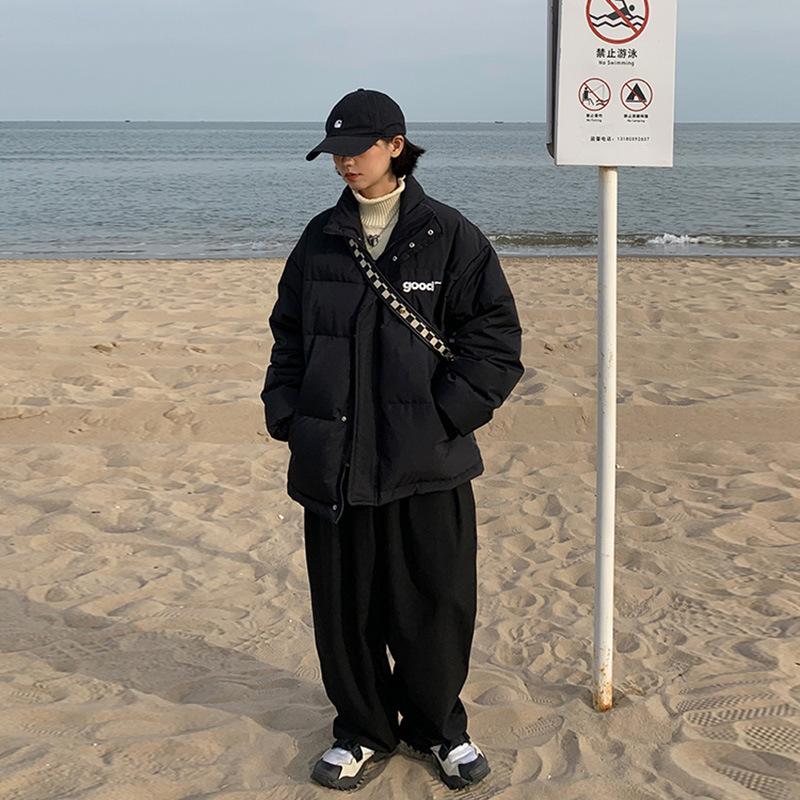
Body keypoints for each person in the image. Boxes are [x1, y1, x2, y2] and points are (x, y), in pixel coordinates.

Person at [260, 88, 524, 791]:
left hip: (427, 463)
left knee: (435, 605)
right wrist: (288, 414)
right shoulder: (320, 238)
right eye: (335, 152)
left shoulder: (451, 235)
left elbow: (495, 342)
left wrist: (443, 418)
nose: (345, 162)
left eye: (358, 149)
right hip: (335, 463)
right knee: (346, 611)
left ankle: (439, 729)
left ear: (396, 146)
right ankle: (362, 730)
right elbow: (289, 335)